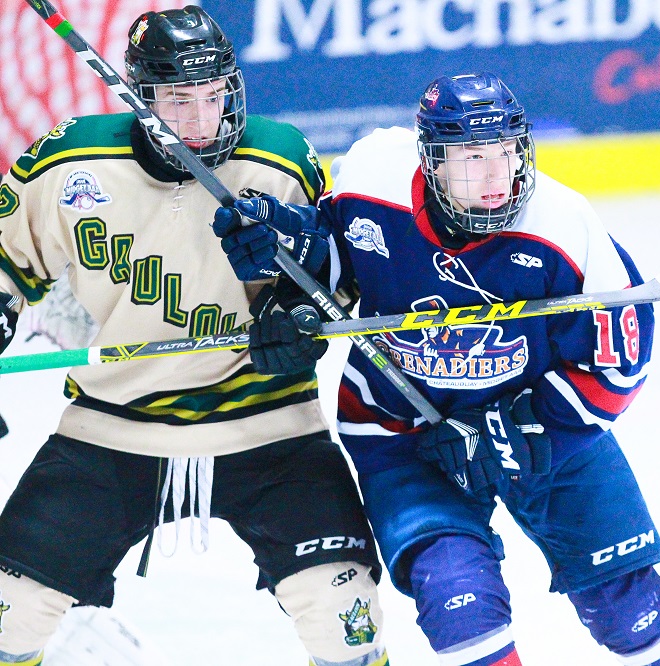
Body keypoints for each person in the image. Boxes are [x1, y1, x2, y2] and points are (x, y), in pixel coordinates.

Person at [213, 72, 660, 666]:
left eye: (506, 153)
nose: (497, 178)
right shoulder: (374, 179)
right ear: (433, 161)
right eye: (473, 159)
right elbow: (341, 264)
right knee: (458, 605)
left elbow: (616, 368)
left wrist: (510, 427)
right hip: (403, 428)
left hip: (546, 432)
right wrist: (289, 257)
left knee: (630, 609)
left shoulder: (563, 225)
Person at [0, 7, 388, 666]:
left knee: (346, 619)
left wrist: (297, 320)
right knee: (9, 616)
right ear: (139, 97)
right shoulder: (68, 161)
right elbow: (6, 261)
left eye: (215, 96)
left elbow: (336, 280)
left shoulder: (280, 159)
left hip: (269, 424)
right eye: (180, 100)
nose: (203, 119)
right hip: (112, 426)